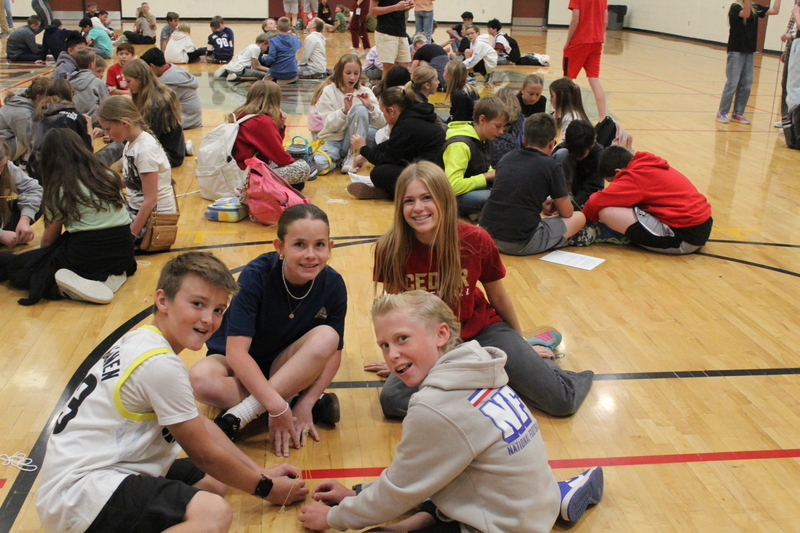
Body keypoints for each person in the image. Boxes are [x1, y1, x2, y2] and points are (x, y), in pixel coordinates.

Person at [35, 252, 309, 533]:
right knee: (213, 514)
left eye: (218, 310)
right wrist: (267, 489)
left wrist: (260, 473)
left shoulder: (141, 339)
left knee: (212, 483)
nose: (208, 320)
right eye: (198, 304)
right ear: (162, 300)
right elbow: (204, 453)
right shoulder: (160, 365)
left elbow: (201, 427)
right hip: (80, 495)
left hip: (96, 473)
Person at [299, 290, 604, 532]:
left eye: (402, 339)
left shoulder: (437, 407)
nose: (392, 355)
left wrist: (333, 518)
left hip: (501, 523)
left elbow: (401, 489)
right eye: (384, 345)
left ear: (441, 335)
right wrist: (357, 492)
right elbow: (423, 473)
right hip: (528, 503)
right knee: (437, 485)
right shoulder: (478, 368)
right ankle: (559, 496)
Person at [369, 161, 595, 419]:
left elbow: (497, 295)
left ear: (443, 199)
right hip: (432, 344)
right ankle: (490, 374)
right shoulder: (390, 249)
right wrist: (400, 357)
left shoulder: (475, 239)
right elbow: (395, 314)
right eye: (409, 201)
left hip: (483, 331)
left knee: (560, 401)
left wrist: (519, 344)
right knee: (393, 401)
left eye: (426, 198)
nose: (418, 208)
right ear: (400, 206)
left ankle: (530, 353)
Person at [188, 204, 347, 457]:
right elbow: (237, 353)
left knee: (328, 336)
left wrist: (307, 404)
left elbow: (334, 353)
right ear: (279, 247)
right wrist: (276, 405)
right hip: (240, 364)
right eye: (299, 245)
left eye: (319, 245)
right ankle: (287, 397)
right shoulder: (255, 274)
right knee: (199, 379)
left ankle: (240, 416)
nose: (310, 254)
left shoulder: (334, 284)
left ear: (331, 247)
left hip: (286, 366)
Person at [0, 130, 135, 305]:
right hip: (124, 251)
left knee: (21, 271)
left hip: (86, 253)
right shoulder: (107, 175)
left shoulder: (61, 186)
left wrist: (40, 257)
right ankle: (108, 277)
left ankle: (63, 290)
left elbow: (48, 240)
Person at [482, 113, 593, 256]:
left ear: (523, 139)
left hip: (487, 236)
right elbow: (567, 212)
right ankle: (564, 240)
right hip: (519, 243)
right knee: (579, 218)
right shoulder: (551, 165)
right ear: (552, 144)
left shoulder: (507, 158)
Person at [583, 146, 714, 254]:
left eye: (612, 181)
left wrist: (582, 221)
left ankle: (608, 233)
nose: (613, 185)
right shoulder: (646, 164)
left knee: (606, 212)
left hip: (683, 238)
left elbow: (596, 201)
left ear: (618, 172)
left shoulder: (633, 177)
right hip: (700, 228)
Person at [98, 96, 177, 250]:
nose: (106, 134)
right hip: (138, 212)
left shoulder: (145, 149)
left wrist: (130, 237)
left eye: (108, 128)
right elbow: (134, 182)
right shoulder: (131, 144)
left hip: (155, 221)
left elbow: (150, 200)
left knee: (101, 245)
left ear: (124, 123)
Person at [347, 85, 445, 199]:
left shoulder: (406, 125)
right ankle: (391, 192)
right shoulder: (413, 116)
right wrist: (368, 154)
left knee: (380, 173)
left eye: (383, 112)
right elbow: (393, 144)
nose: (383, 115)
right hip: (430, 168)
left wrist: (363, 148)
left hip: (430, 177)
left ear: (391, 110)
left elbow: (387, 158)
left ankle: (393, 193)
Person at [229, 80, 311, 189]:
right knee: (302, 167)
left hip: (235, 170)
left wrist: (279, 127)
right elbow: (281, 157)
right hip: (245, 175)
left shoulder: (240, 114)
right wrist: (294, 163)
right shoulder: (262, 122)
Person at [313, 53, 385, 174]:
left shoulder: (365, 91)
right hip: (334, 141)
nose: (352, 77)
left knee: (360, 109)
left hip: (357, 142)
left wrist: (370, 107)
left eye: (356, 73)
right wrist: (344, 111)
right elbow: (329, 125)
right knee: (317, 164)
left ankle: (353, 154)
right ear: (340, 72)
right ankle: (339, 160)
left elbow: (383, 124)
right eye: (348, 73)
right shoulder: (328, 91)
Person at [437, 96, 508, 217]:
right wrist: (486, 176)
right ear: (482, 119)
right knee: (500, 197)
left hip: (469, 192)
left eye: (503, 127)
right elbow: (452, 186)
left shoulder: (484, 139)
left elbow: (483, 166)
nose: (501, 131)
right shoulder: (460, 145)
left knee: (509, 189)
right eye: (497, 126)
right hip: (448, 198)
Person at [716, 0, 782, 124]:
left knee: (746, 84)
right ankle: (722, 112)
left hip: (749, 51)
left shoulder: (755, 7)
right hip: (736, 51)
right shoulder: (735, 7)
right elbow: (746, 14)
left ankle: (738, 113)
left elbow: (774, 11)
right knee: (732, 83)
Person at [123, 58, 186, 167]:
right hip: (162, 148)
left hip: (169, 155)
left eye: (128, 81)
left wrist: (121, 137)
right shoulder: (147, 95)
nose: (126, 85)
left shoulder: (156, 102)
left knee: (123, 163)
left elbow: (148, 137)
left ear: (140, 80)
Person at [28, 79, 94, 181]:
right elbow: (88, 152)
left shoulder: (36, 115)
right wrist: (89, 126)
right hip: (67, 176)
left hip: (37, 172)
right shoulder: (75, 117)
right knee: (114, 148)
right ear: (71, 94)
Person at [563, 0, 608, 119]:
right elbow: (605, 21)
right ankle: (603, 118)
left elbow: (575, 20)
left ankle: (561, 112)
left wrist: (568, 42)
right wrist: (599, 35)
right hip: (596, 42)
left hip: (579, 41)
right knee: (594, 80)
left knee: (567, 80)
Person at [140, 47, 203, 130]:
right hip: (192, 118)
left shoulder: (168, 81)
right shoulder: (172, 69)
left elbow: (155, 105)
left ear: (152, 66)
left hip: (187, 120)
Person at [551, 119, 604, 207]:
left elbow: (594, 186)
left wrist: (574, 204)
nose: (577, 157)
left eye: (580, 154)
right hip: (562, 193)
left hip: (583, 196)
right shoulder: (567, 147)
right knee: (561, 153)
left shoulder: (599, 156)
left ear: (592, 144)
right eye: (574, 154)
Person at [0, 140, 41, 251]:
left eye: (2, 166)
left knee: (41, 202)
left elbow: (33, 189)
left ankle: (15, 235)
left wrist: (25, 219)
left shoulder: (7, 166)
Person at [0, 77, 51, 162]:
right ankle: (26, 161)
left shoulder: (27, 94)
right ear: (39, 97)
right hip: (4, 148)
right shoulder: (22, 115)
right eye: (49, 97)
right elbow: (31, 142)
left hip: (8, 138)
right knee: (37, 131)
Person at [370, 0, 415, 78]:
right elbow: (372, 11)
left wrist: (408, 6)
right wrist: (396, 7)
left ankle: (400, 89)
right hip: (386, 33)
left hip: (401, 32)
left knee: (403, 67)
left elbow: (400, 9)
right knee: (388, 67)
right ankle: (385, 89)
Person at [68, 48, 109, 125]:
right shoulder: (97, 83)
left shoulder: (68, 82)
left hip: (74, 121)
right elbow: (107, 106)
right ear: (92, 64)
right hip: (95, 123)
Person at [262, 16, 303, 84]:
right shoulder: (295, 39)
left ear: (277, 27)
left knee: (271, 68)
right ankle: (292, 78)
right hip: (292, 71)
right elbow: (300, 45)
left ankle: (272, 75)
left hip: (277, 71)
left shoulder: (273, 40)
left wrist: (264, 58)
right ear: (289, 28)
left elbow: (271, 58)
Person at [550, 76, 590, 142]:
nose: (550, 99)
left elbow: (566, 145)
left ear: (561, 97)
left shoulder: (570, 118)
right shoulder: (569, 114)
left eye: (552, 96)